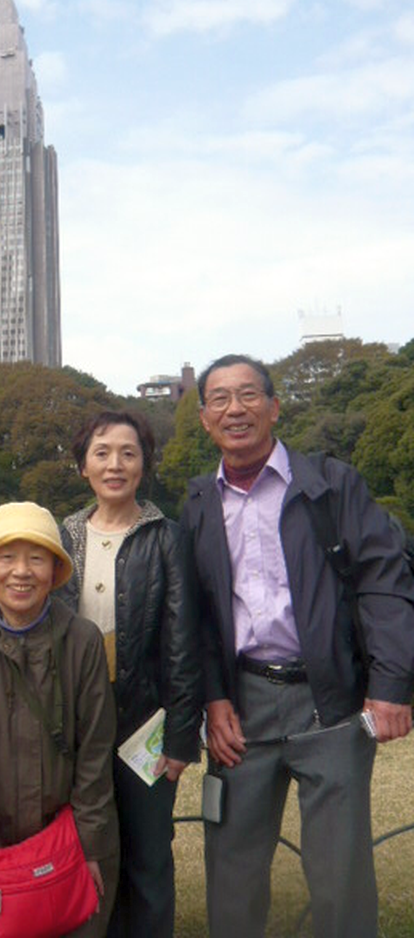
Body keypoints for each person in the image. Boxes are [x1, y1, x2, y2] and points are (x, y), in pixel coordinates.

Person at [182, 353, 414, 938]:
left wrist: (389, 686)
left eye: (249, 395)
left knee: (341, 877)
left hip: (329, 700)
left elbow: (384, 582)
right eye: (219, 399)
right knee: (232, 874)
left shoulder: (332, 485)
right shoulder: (196, 505)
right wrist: (213, 698)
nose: (235, 409)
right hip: (243, 705)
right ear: (205, 418)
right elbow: (199, 616)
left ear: (275, 406)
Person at [0, 502, 120, 937]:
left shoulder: (82, 640)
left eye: (36, 558)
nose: (22, 572)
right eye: (7, 558)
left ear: (55, 571)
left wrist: (91, 844)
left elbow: (96, 751)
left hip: (70, 838)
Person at [58, 410, 202, 938]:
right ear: (82, 466)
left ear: (144, 464)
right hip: (76, 725)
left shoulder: (166, 537)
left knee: (147, 856)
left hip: (146, 724)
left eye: (128, 452)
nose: (114, 464)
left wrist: (183, 734)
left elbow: (183, 642)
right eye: (101, 453)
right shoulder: (64, 535)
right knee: (87, 851)